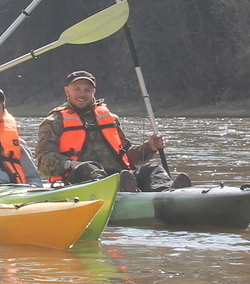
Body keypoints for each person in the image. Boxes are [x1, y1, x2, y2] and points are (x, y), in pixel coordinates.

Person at [34, 70, 188, 192]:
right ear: (67, 91)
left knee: (152, 170)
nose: (82, 94)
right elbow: (43, 162)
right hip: (78, 180)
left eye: (87, 90)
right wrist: (73, 164)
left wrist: (149, 147)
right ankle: (121, 190)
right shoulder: (53, 122)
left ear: (94, 92)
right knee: (88, 168)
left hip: (119, 177)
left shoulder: (111, 118)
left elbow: (127, 156)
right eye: (77, 89)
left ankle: (167, 193)